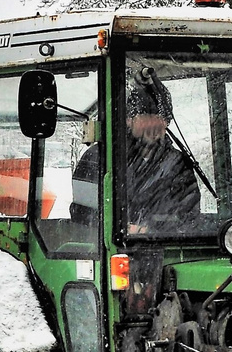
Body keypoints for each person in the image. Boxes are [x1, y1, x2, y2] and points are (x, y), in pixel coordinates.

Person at [69, 65, 202, 232]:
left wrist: (151, 231)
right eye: (147, 117)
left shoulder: (178, 164)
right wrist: (119, 228)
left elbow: (189, 216)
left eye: (163, 118)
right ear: (128, 119)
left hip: (166, 250)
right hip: (113, 250)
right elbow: (81, 213)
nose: (156, 124)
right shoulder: (98, 158)